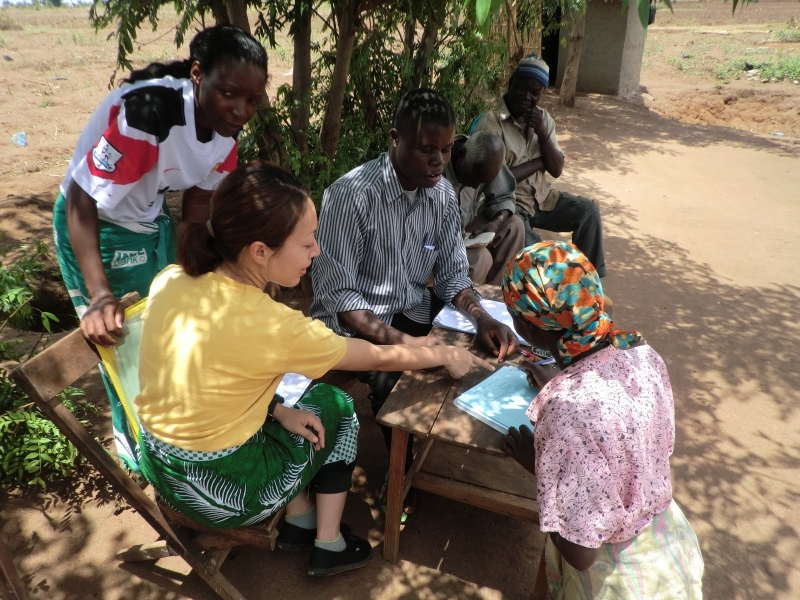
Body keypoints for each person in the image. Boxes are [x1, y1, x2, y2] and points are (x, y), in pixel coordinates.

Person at [134, 161, 493, 577]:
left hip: (160, 466)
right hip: (222, 494)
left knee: (293, 405)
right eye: (307, 243)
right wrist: (444, 355)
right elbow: (374, 356)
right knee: (337, 407)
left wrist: (278, 410)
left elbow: (212, 379)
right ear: (260, 251)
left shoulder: (171, 280)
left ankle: (301, 519)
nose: (317, 252)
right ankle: (329, 542)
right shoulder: (274, 325)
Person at [52, 25, 268, 470]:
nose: (241, 110)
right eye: (230, 93)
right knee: (126, 344)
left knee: (173, 322)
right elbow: (82, 197)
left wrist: (196, 265)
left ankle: (179, 434)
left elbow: (198, 203)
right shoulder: (148, 114)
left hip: (150, 219)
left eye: (253, 100)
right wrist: (100, 295)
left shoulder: (226, 129)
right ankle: (142, 453)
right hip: (97, 226)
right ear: (197, 75)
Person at [311, 88, 519, 520]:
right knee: (394, 379)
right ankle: (400, 470)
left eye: (445, 150)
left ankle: (430, 447)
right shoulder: (350, 196)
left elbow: (452, 274)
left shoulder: (441, 196)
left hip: (408, 308)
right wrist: (410, 345)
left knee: (472, 350)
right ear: (395, 140)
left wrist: (480, 316)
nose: (438, 161)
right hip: (353, 323)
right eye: (426, 150)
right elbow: (342, 299)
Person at [500, 240, 704, 599]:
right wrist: (561, 380)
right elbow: (627, 442)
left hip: (619, 582)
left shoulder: (565, 413)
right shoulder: (643, 355)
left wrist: (542, 466)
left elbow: (581, 553)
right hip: (669, 547)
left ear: (527, 328)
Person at [472, 53, 607, 277]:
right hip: (510, 204)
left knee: (588, 213)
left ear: (542, 93)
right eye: (522, 88)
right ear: (511, 84)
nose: (527, 97)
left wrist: (543, 134)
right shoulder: (491, 123)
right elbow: (498, 178)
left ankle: (589, 280)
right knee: (538, 252)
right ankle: (544, 292)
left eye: (535, 92)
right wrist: (539, 162)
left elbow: (556, 169)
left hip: (543, 199)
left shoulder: (544, 120)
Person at [444, 131, 525, 285]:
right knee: (481, 258)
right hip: (440, 239)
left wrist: (496, 223)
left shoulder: (488, 160)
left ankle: (496, 292)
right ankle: (463, 296)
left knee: (515, 226)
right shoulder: (439, 162)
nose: (476, 186)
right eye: (473, 177)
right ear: (461, 154)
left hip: (466, 230)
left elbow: (505, 195)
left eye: (482, 182)